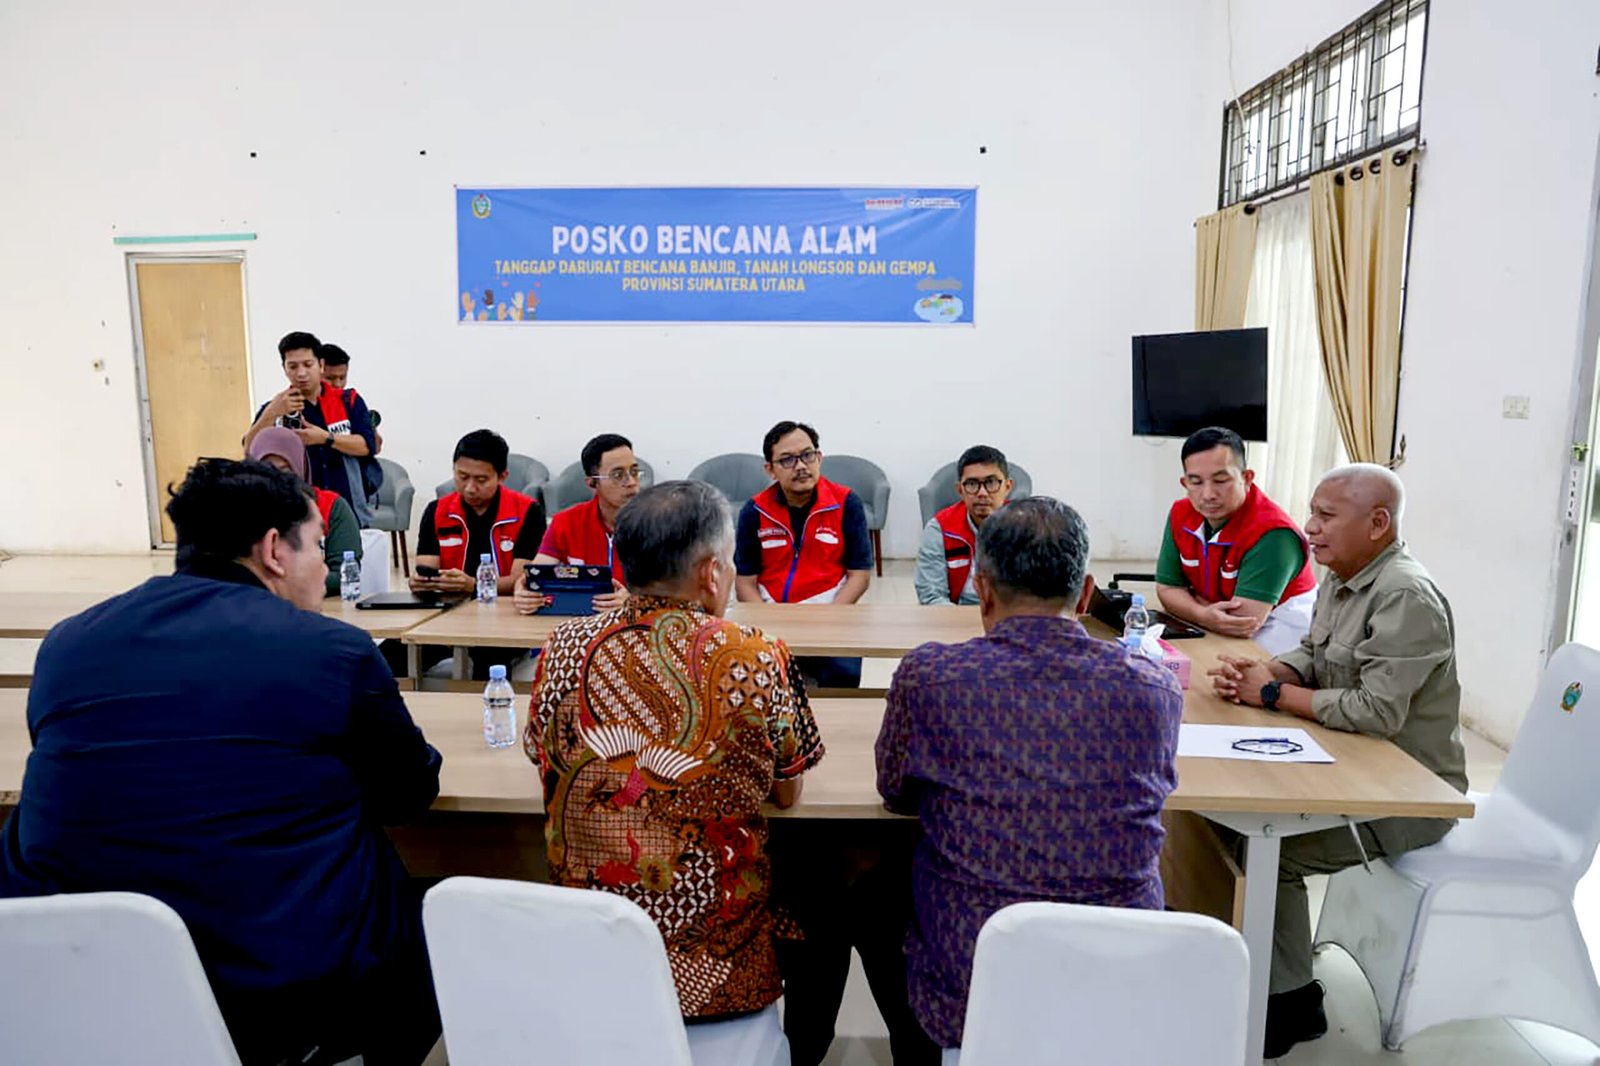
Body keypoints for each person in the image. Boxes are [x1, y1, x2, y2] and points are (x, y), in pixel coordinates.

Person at [0, 458, 443, 1065]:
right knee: (433, 912)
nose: (325, 569)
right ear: (274, 551)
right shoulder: (330, 651)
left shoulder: (68, 642)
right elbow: (407, 795)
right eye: (318, 546)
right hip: (270, 988)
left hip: (84, 975)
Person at [877, 497, 1183, 1052]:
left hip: (971, 994)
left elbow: (895, 791)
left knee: (866, 868)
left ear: (982, 589)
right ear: (1085, 594)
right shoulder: (1152, 687)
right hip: (1120, 987)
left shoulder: (930, 677)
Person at [525, 480, 824, 1025]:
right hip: (723, 977)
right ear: (711, 573)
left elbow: (541, 755)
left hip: (594, 965)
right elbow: (786, 791)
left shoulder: (563, 646)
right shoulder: (756, 654)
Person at [1207, 463, 1466, 1059]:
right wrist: (1267, 671)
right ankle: (1242, 970)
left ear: (1378, 524)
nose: (1310, 528)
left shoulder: (1404, 595)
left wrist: (1274, 695)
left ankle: (1291, 1005)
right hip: (1350, 762)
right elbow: (1313, 652)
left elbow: (1376, 711)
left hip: (1406, 794)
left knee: (1267, 849)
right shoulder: (1344, 574)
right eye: (1312, 513)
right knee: (1220, 820)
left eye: (1326, 516)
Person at [395, 429, 545, 680]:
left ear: (502, 476)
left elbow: (521, 581)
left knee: (488, 661)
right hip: (446, 615)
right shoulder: (437, 511)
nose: (470, 488)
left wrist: (473, 585)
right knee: (388, 658)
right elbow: (426, 567)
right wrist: (422, 582)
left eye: (481, 480)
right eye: (462, 477)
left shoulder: (527, 512)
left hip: (503, 619)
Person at [735, 421, 874, 689]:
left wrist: (831, 619)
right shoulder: (755, 511)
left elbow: (859, 575)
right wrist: (767, 626)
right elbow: (745, 582)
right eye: (787, 460)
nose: (801, 466)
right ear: (770, 469)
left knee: (843, 676)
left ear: (819, 457)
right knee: (753, 680)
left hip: (832, 609)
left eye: (807, 455)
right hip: (772, 612)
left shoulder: (846, 502)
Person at [1155, 426, 1318, 654]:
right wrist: (1202, 613)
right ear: (1185, 484)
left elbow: (1242, 623)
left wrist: (1189, 602)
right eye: (1196, 482)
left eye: (1221, 480)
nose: (1208, 494)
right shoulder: (1181, 513)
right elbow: (1167, 590)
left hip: (1282, 637)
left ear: (1246, 478)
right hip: (1213, 628)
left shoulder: (1274, 533)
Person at [243, 331, 379, 526]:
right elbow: (249, 449)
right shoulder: (276, 407)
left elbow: (367, 446)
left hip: (349, 509)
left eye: (308, 365)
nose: (301, 373)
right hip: (297, 514)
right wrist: (270, 413)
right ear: (284, 369)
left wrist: (325, 438)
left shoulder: (348, 400)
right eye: (293, 366)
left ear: (321, 365)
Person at [512, 432, 638, 615]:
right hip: (581, 622)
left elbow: (676, 592)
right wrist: (523, 592)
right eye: (618, 475)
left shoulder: (657, 523)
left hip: (639, 624)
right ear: (592, 483)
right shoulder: (566, 522)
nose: (631, 482)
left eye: (634, 472)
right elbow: (536, 575)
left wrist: (634, 602)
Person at [246, 426, 361, 597]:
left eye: (285, 470)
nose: (276, 479)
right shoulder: (244, 510)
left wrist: (277, 584)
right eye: (267, 470)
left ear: (300, 466)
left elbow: (344, 575)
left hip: (322, 607)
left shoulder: (330, 507)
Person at [914, 444, 1014, 605]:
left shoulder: (1026, 526)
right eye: (972, 484)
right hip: (955, 612)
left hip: (1009, 614)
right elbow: (931, 595)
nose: (982, 493)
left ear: (1007, 487)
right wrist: (959, 618)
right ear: (960, 490)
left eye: (991, 482)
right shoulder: (939, 529)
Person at [318, 342, 383, 457]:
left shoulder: (351, 400)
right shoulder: (298, 404)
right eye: (330, 378)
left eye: (342, 378)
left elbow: (374, 447)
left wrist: (372, 429)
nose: (338, 384)